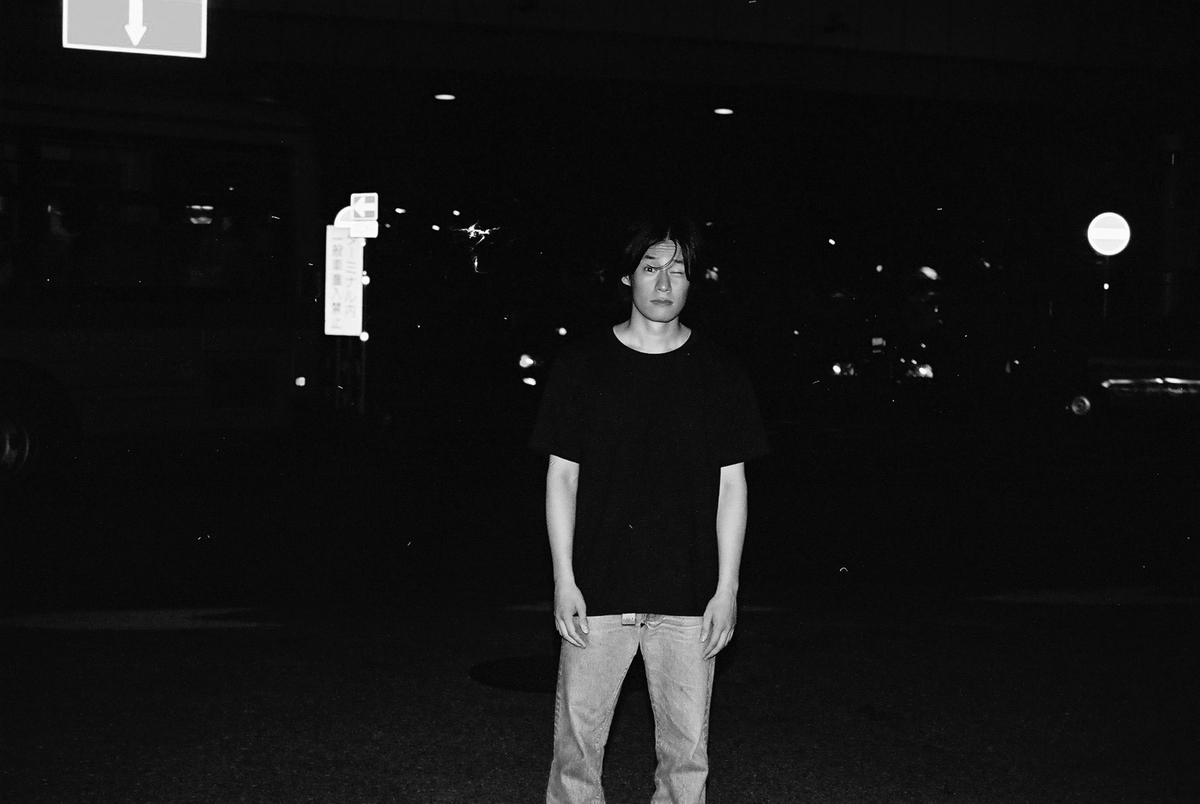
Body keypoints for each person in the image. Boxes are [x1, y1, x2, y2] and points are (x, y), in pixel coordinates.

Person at [529, 214, 769, 803]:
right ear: (627, 277)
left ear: (693, 283)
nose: (663, 283)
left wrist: (727, 589)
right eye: (650, 267)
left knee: (686, 763)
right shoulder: (583, 364)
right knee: (575, 758)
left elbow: (732, 487)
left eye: (677, 271)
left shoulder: (720, 372)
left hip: (689, 598)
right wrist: (563, 579)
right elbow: (562, 476)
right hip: (596, 592)